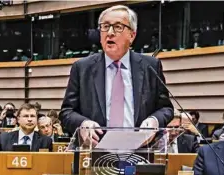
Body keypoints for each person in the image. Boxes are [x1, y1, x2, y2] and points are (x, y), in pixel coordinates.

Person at [59, 5, 173, 139]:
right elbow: (66, 112)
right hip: (96, 151)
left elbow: (166, 109)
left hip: (140, 149)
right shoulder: (82, 68)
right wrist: (83, 123)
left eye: (118, 27)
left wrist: (154, 120)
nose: (110, 33)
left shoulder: (151, 66)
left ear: (132, 35)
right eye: (105, 26)